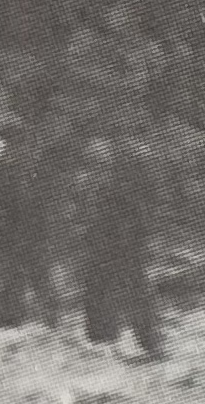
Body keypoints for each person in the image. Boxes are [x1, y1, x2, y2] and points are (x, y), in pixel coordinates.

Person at [68, 131, 164, 360]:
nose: (97, 167)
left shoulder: (124, 186)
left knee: (134, 288)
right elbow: (82, 215)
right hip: (102, 245)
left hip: (124, 244)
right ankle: (103, 340)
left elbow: (140, 216)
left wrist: (137, 239)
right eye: (94, 162)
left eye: (101, 163)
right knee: (100, 289)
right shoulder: (91, 183)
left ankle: (148, 341)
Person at [0, 93, 58, 330]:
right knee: (11, 271)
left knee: (22, 270)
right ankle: (13, 314)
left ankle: (39, 315)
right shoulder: (3, 165)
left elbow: (26, 199)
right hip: (7, 226)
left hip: (19, 227)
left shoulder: (20, 166)